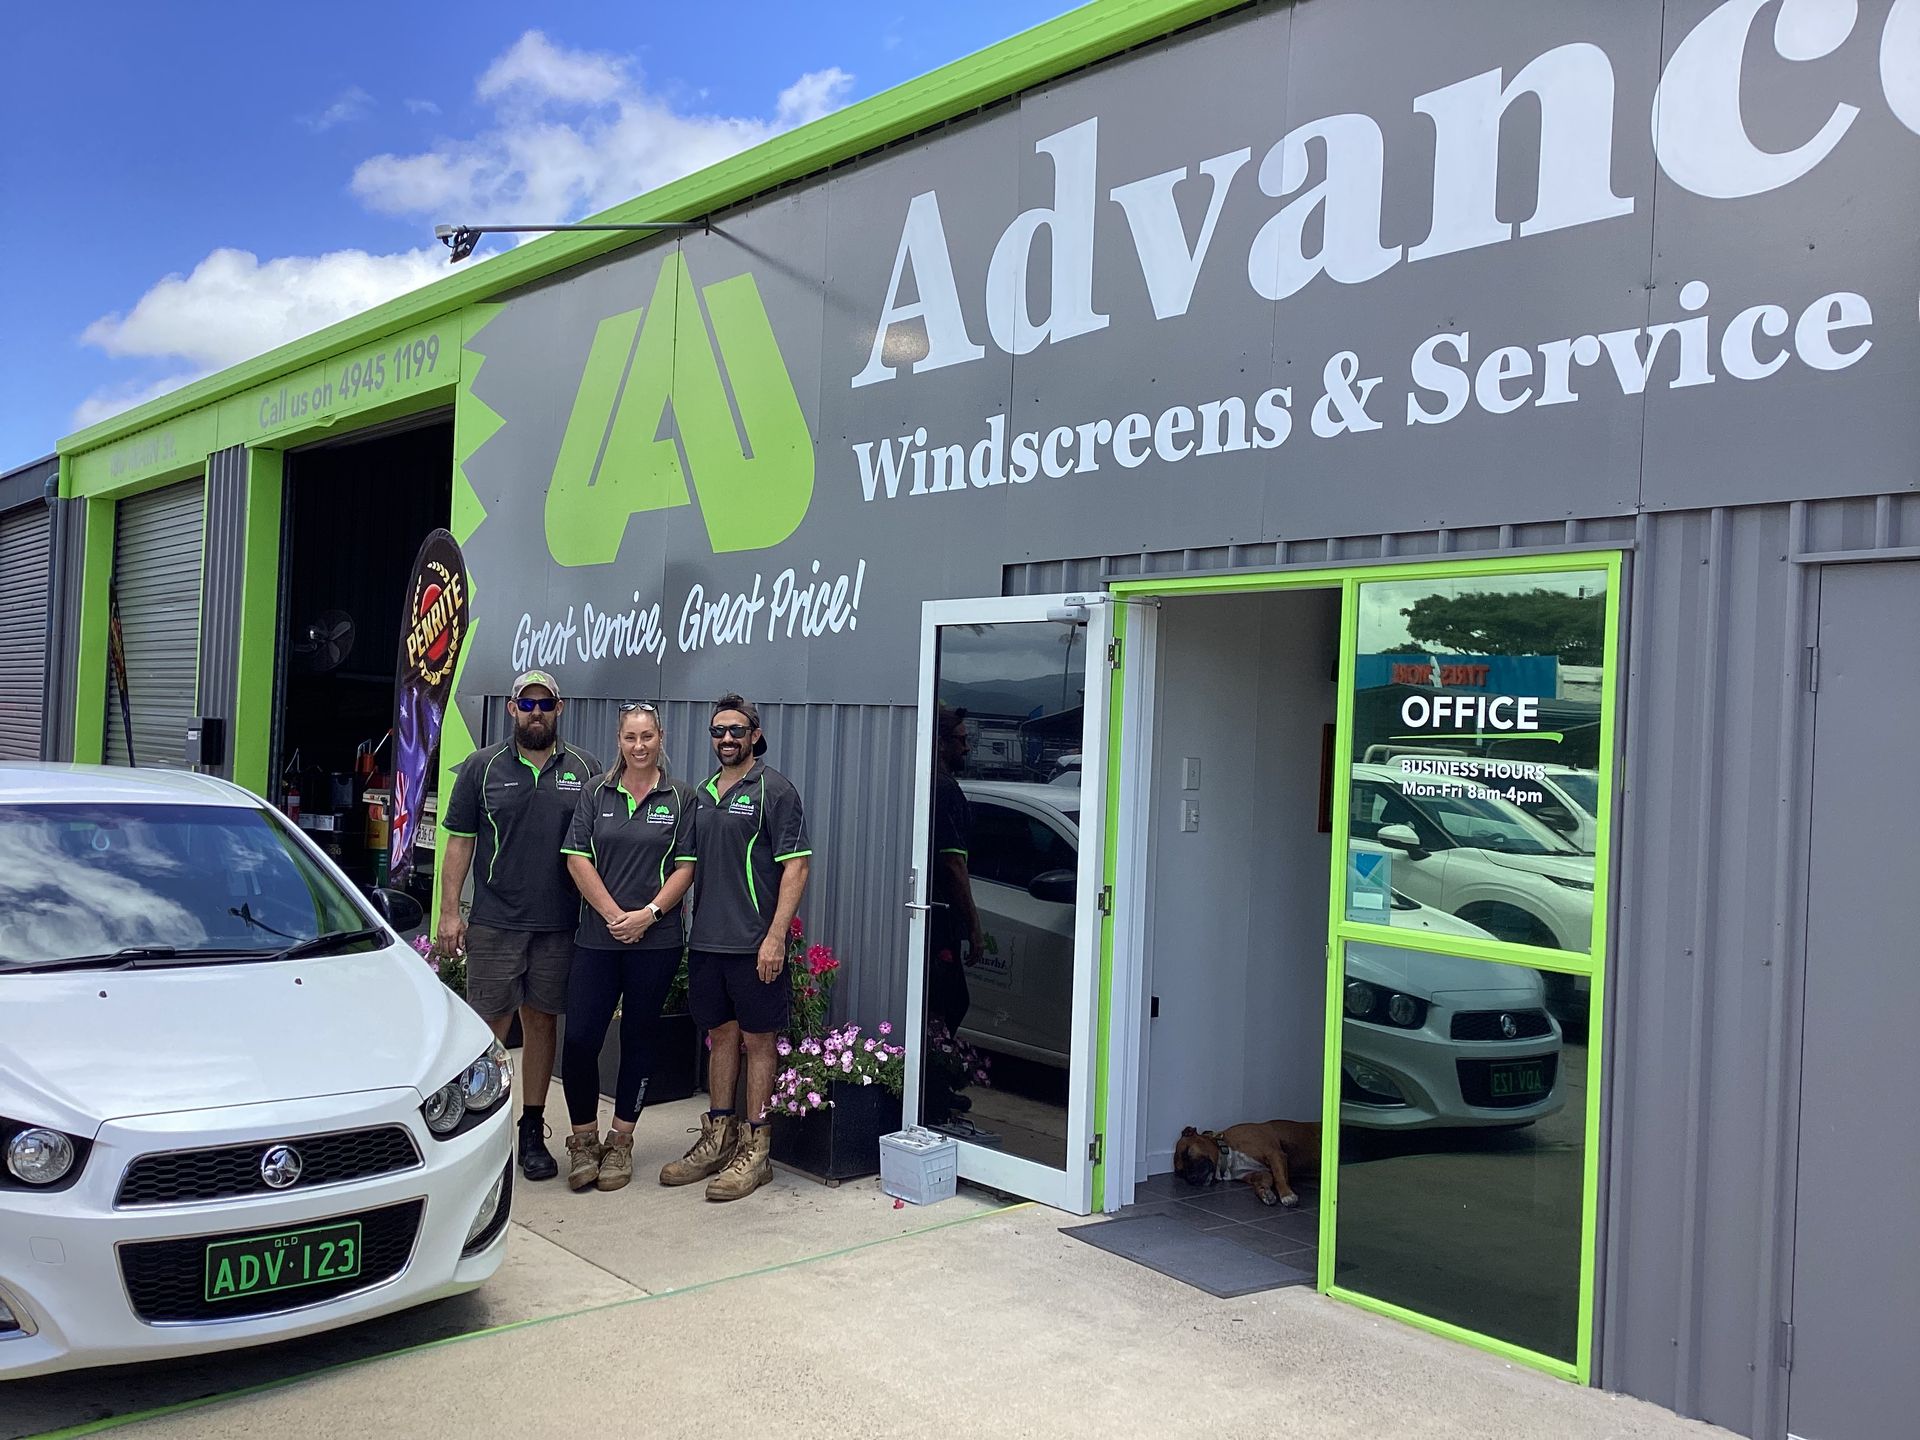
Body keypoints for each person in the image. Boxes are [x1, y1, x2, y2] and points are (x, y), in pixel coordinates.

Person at [437, 671, 600, 1182]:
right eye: (526, 702)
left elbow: (601, 846)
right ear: (511, 709)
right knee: (489, 1032)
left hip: (558, 924)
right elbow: (460, 841)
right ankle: (483, 1136)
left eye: (544, 702)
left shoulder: (585, 770)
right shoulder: (481, 768)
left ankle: (532, 1131)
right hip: (495, 923)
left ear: (560, 707)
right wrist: (448, 911)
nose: (536, 711)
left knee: (543, 1022)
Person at [659, 694, 811, 1202]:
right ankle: (718, 1138)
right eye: (719, 731)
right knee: (720, 1037)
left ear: (755, 734)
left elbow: (797, 867)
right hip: (707, 942)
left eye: (737, 730)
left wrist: (775, 937)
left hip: (754, 946)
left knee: (759, 1041)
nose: (727, 739)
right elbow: (687, 868)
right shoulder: (700, 794)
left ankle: (757, 1150)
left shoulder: (775, 790)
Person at [557, 703, 698, 1193]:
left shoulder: (681, 797)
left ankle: (620, 1141)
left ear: (661, 738)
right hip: (598, 938)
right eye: (630, 738)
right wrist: (614, 915)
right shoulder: (597, 792)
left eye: (647, 737)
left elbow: (686, 867)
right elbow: (576, 857)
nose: (639, 746)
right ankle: (582, 1141)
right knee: (579, 1041)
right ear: (619, 740)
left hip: (655, 941)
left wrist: (649, 915)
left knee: (640, 1038)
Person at [924, 705, 997, 1144]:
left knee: (942, 1002)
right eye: (961, 739)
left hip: (934, 912)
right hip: (939, 915)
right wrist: (973, 924)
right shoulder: (944, 788)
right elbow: (954, 863)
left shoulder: (935, 784)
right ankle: (935, 1087)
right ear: (940, 742)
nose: (967, 746)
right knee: (950, 1000)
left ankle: (937, 1084)